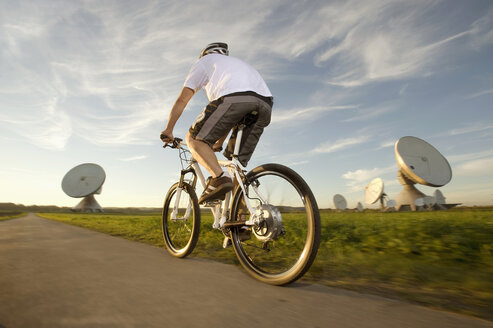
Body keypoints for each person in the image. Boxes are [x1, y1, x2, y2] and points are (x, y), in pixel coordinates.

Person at [160, 42, 273, 205]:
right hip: (265, 105)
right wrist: (218, 143)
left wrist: (168, 130)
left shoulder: (205, 61)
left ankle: (219, 179)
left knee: (194, 139)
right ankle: (238, 219)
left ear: (205, 54)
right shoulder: (236, 65)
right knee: (235, 166)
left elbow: (182, 100)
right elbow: (227, 119)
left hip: (233, 99)